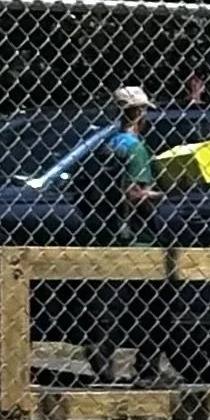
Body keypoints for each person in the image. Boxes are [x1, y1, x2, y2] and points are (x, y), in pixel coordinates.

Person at [75, 86, 170, 384]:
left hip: (108, 230)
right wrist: (166, 191)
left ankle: (102, 349)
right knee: (155, 304)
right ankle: (147, 367)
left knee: (112, 298)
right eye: (146, 111)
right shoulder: (136, 148)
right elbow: (135, 193)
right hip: (137, 236)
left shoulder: (107, 145)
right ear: (139, 112)